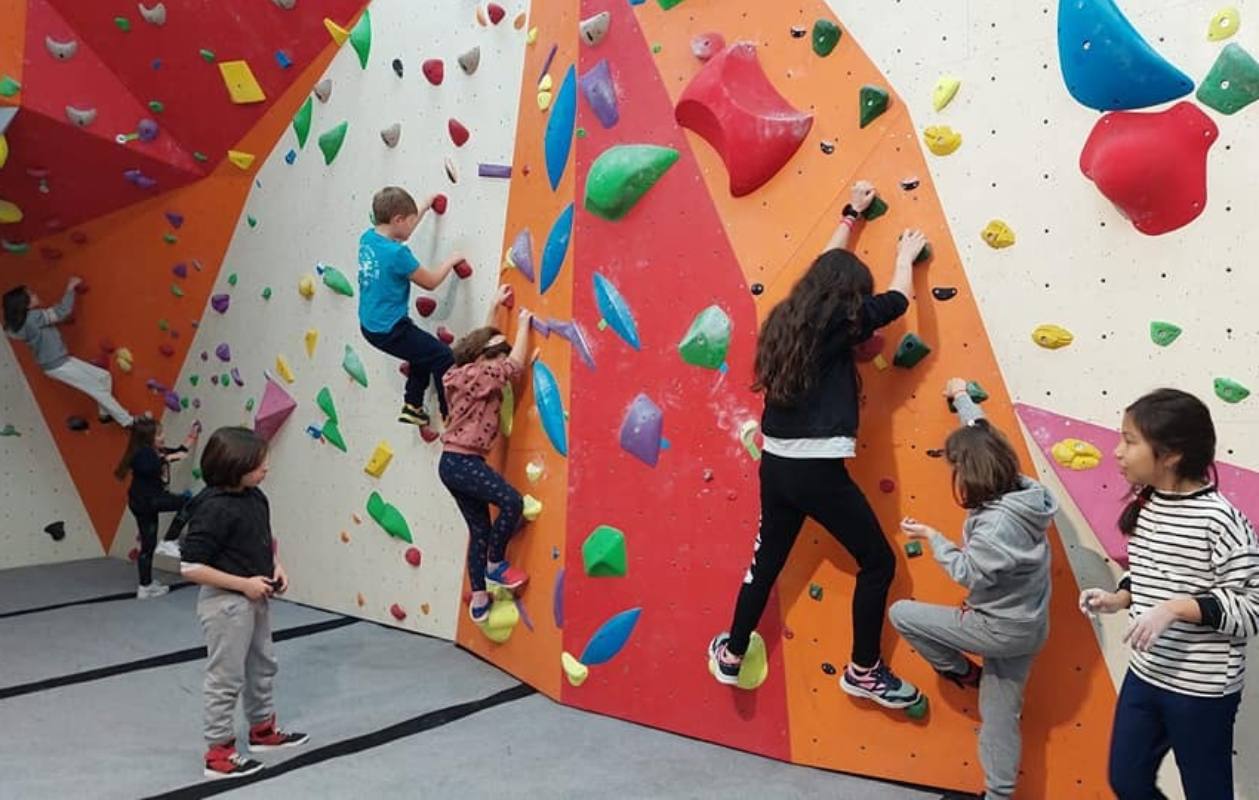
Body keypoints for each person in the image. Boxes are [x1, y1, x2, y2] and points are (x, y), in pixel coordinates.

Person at [707, 180, 930, 710]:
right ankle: (865, 670)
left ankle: (733, 653)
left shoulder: (788, 317)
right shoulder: (841, 321)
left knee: (765, 564)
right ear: (847, 298)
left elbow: (825, 265)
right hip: (815, 473)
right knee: (877, 563)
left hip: (777, 467)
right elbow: (896, 302)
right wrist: (905, 255)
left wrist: (851, 216)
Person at [1079, 389, 1259, 800]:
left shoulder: (1221, 520)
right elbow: (1150, 573)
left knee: (1207, 792)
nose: (1117, 452)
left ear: (1172, 454)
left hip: (1201, 690)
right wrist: (1119, 597)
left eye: (1129, 440)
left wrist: (1176, 609)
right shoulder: (1149, 504)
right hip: (1146, 675)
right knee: (1126, 780)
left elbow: (1252, 610)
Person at [890, 378, 1056, 800]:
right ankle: (999, 796)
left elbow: (968, 572)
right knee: (1000, 717)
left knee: (902, 615)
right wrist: (961, 398)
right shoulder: (1024, 490)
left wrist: (933, 536)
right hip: (1028, 626)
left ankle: (961, 670)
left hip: (999, 628)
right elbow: (987, 437)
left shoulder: (996, 525)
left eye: (958, 469)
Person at [180, 426, 307, 779]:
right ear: (234, 466)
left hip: (255, 596)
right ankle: (218, 753)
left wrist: (275, 568)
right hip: (226, 605)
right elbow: (191, 566)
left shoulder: (255, 497)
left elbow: (262, 540)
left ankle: (262, 731)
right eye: (259, 464)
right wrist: (243, 585)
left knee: (263, 665)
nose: (266, 468)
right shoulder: (211, 507)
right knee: (226, 677)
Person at [438, 286, 531, 623]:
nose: (500, 359)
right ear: (480, 359)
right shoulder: (483, 374)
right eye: (495, 354)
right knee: (512, 501)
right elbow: (515, 365)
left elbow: (485, 345)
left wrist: (493, 308)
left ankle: (479, 595)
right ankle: (495, 563)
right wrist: (524, 325)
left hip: (453, 463)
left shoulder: (459, 373)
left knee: (479, 527)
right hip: (462, 462)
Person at [358, 186, 466, 427]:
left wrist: (424, 206)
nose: (411, 225)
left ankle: (413, 405)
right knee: (442, 356)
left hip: (371, 325)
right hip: (391, 328)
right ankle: (450, 415)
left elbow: (398, 232)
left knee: (420, 351)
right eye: (410, 221)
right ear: (397, 219)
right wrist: (451, 260)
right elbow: (430, 282)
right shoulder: (398, 255)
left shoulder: (369, 238)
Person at [3, 279, 134, 427]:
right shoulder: (33, 317)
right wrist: (70, 288)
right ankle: (128, 421)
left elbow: (41, 328)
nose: (35, 295)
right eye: (31, 294)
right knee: (96, 388)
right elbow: (61, 312)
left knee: (103, 377)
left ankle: (105, 414)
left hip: (58, 362)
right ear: (24, 303)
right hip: (57, 364)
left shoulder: (20, 324)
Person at [114, 416, 201, 598]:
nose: (163, 437)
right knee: (189, 502)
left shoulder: (154, 451)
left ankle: (145, 586)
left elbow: (180, 451)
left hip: (143, 502)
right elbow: (149, 466)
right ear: (148, 437)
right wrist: (167, 458)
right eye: (159, 434)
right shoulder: (142, 454)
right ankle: (170, 540)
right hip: (147, 501)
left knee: (148, 545)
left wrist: (191, 436)